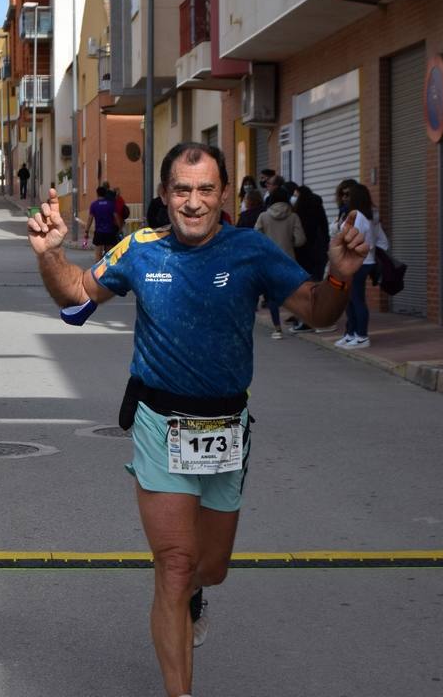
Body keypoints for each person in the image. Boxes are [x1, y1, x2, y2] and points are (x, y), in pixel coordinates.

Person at [26, 141, 368, 697]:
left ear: (223, 194)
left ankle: (196, 595)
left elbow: (318, 311)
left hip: (225, 430)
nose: (193, 202)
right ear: (164, 195)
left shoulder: (251, 250)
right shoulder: (140, 249)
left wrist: (338, 277)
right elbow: (76, 303)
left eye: (205, 189)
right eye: (182, 190)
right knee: (176, 564)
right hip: (160, 423)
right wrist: (50, 255)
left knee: (210, 567)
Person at [254, 189, 306, 339]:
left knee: (272, 297)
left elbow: (255, 236)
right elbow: (301, 240)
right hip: (289, 260)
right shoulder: (293, 216)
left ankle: (277, 329)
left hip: (269, 261)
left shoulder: (263, 216)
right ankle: (298, 321)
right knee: (294, 294)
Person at [335, 181, 381, 350]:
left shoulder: (360, 218)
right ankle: (351, 333)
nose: (344, 198)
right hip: (355, 262)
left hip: (359, 263)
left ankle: (361, 336)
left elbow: (350, 238)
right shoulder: (356, 215)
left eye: (348, 195)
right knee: (349, 300)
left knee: (356, 299)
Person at [290, 185, 332, 333]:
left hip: (304, 256)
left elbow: (299, 238)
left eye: (296, 195)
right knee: (318, 286)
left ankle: (307, 320)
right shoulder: (318, 209)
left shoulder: (299, 213)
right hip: (319, 255)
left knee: (306, 289)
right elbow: (325, 230)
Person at [83, 184, 120, 261]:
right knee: (109, 256)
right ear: (105, 193)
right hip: (110, 232)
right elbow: (116, 217)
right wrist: (119, 228)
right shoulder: (111, 204)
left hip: (99, 233)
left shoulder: (94, 205)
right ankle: (107, 271)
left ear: (97, 194)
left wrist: (86, 231)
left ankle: (98, 271)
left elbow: (90, 219)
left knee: (98, 256)